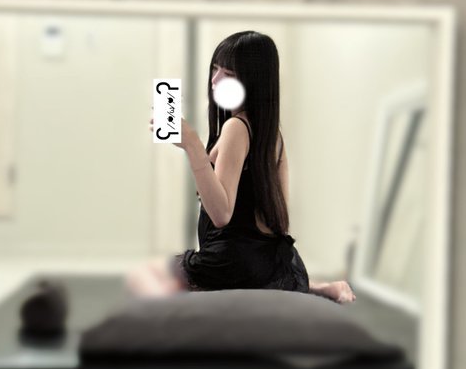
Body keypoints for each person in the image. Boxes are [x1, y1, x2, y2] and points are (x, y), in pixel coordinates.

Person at [128, 31, 356, 305]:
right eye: (215, 69)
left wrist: (192, 145)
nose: (215, 80)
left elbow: (221, 214)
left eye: (228, 74)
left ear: (252, 82)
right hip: (274, 263)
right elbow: (281, 220)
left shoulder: (236, 127)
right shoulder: (273, 135)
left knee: (144, 276)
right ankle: (311, 287)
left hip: (231, 263)